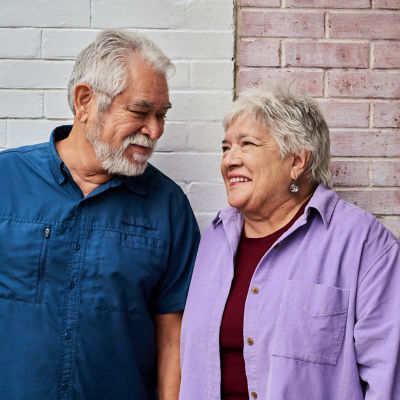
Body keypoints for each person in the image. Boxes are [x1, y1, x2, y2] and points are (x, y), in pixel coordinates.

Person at [0, 30, 199, 400]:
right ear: (85, 101)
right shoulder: (5, 182)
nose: (154, 130)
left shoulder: (169, 207)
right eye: (140, 112)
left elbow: (175, 337)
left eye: (161, 115)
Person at [179, 86, 400, 400]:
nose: (229, 160)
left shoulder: (365, 246)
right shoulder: (215, 238)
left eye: (247, 145)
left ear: (297, 162)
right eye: (226, 147)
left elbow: (386, 380)